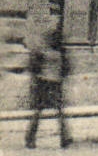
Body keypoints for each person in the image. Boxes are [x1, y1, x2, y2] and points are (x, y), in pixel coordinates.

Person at [24, 17, 70, 149]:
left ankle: (63, 138)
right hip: (46, 83)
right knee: (50, 112)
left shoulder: (53, 51)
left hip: (50, 83)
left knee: (49, 112)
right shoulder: (50, 52)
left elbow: (66, 68)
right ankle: (31, 138)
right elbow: (34, 67)